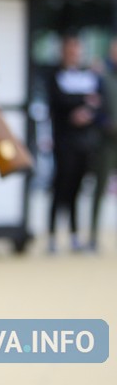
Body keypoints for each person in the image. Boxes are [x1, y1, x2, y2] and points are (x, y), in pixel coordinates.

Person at [46, 32, 105, 253]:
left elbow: (97, 101)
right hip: (63, 141)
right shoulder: (55, 75)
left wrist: (86, 109)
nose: (74, 54)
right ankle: (51, 235)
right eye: (71, 49)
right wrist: (81, 104)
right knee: (60, 186)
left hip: (83, 141)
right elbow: (60, 102)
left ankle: (73, 235)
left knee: (77, 189)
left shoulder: (86, 75)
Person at [90, 35, 117, 251]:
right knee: (99, 189)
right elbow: (93, 106)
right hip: (106, 140)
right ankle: (92, 236)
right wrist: (103, 122)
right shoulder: (101, 77)